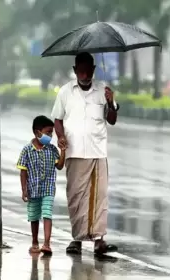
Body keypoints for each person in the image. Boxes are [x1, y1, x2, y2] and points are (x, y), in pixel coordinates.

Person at [50, 52, 120, 255]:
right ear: (75, 71)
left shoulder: (103, 90)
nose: (84, 74)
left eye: (88, 70)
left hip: (97, 151)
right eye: (80, 70)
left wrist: (110, 101)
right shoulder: (65, 92)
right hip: (74, 152)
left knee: (99, 196)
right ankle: (77, 240)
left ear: (93, 70)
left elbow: (112, 119)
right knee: (75, 196)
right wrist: (60, 137)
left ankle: (99, 240)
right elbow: (57, 119)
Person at [17, 115, 66, 255]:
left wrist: (63, 151)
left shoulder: (52, 149)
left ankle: (47, 243)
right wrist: (24, 190)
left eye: (52, 133)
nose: (50, 136)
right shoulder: (27, 150)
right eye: (48, 132)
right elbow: (23, 172)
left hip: (48, 189)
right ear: (37, 132)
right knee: (34, 216)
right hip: (33, 189)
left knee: (47, 213)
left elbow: (60, 166)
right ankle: (34, 242)